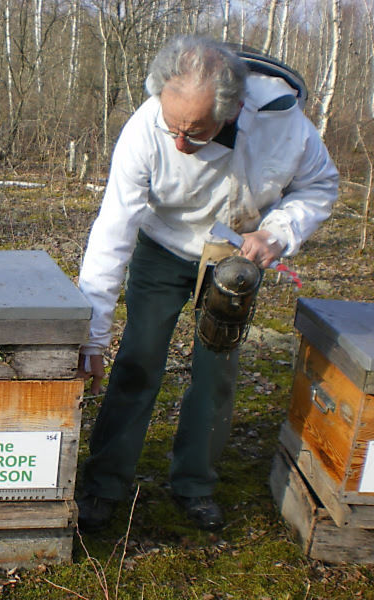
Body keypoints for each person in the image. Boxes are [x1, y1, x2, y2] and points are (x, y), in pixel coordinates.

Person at [76, 36, 338, 532]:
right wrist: (92, 334)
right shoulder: (144, 129)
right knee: (137, 361)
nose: (179, 143)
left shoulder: (286, 127)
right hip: (161, 249)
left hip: (234, 261)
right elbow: (113, 231)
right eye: (172, 126)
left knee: (216, 374)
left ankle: (194, 485)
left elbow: (320, 185)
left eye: (194, 132)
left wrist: (277, 232)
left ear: (233, 111)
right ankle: (104, 484)